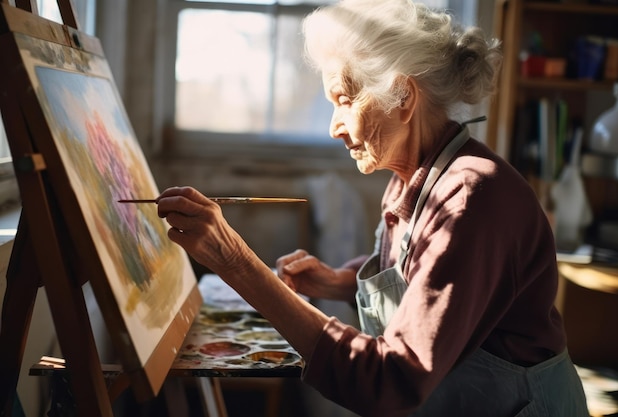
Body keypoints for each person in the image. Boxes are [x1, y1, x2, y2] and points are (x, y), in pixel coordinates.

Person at [156, 0, 588, 415]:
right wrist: (342, 281)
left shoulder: (469, 199)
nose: (334, 128)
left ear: (402, 95)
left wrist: (234, 261)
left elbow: (391, 382)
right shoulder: (412, 175)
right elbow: (427, 273)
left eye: (344, 100)